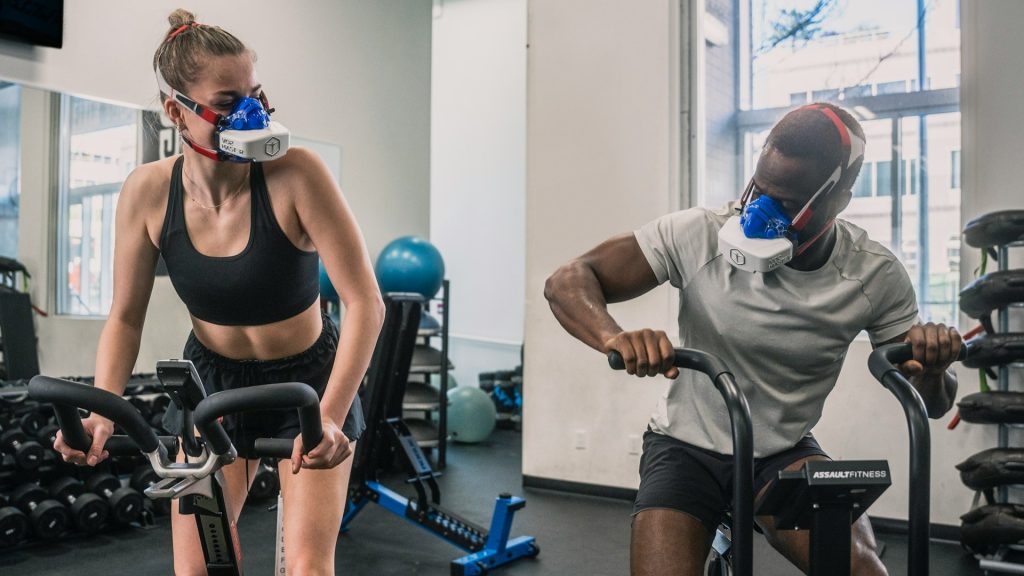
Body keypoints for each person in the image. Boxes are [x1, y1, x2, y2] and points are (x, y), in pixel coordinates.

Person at [545, 102, 962, 576]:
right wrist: (613, 338)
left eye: (785, 203)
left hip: (782, 452)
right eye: (758, 191)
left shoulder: (872, 274)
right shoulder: (699, 233)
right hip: (685, 448)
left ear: (839, 198)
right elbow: (567, 280)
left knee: (863, 572)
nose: (760, 212)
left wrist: (932, 368)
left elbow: (934, 403)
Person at [52, 9, 385, 575]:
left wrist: (329, 415)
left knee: (306, 565)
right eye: (229, 102)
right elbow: (125, 317)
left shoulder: (297, 175)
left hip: (307, 382)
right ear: (175, 111)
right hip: (212, 385)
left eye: (256, 93)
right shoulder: (148, 192)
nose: (252, 113)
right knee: (200, 566)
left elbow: (365, 303)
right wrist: (102, 411)